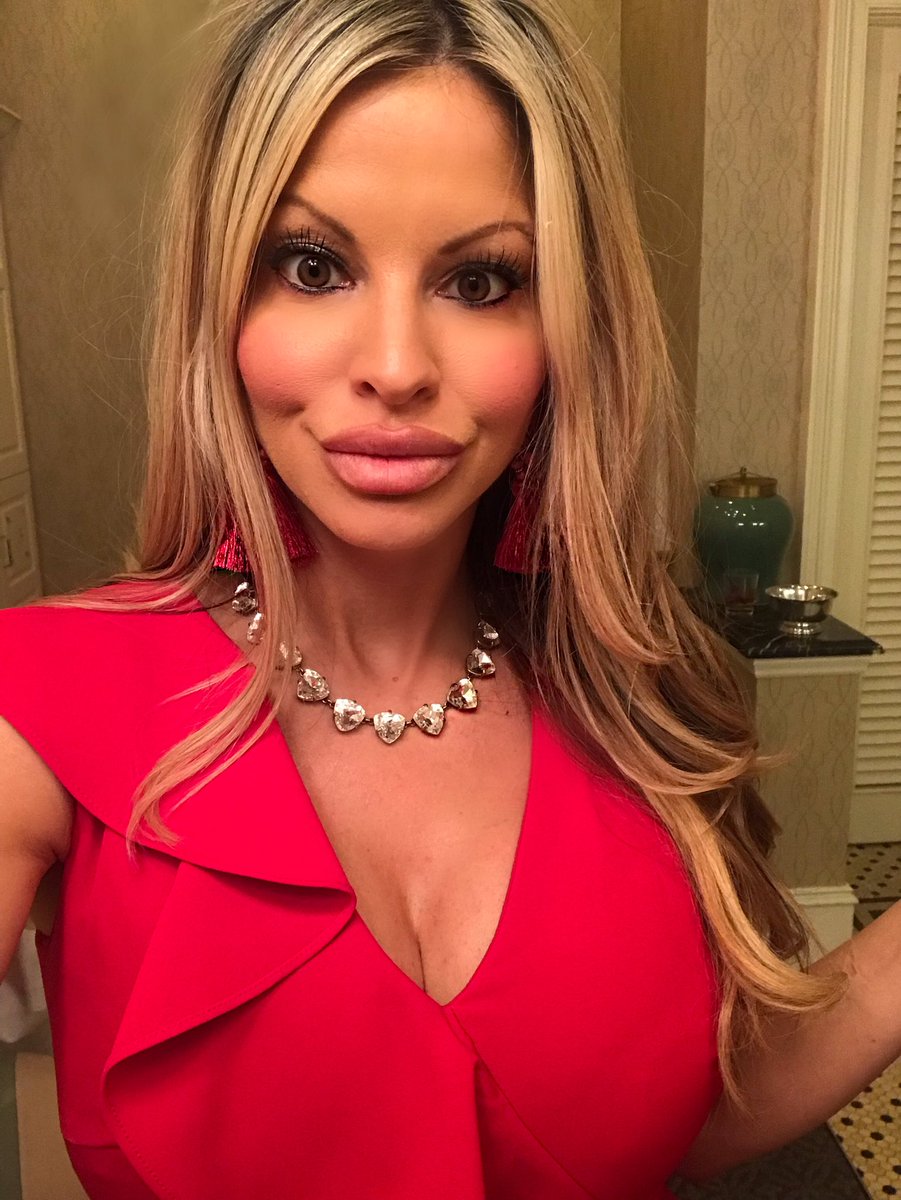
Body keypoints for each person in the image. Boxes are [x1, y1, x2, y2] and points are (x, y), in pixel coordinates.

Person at [1, 0, 899, 1196]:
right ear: (221, 304)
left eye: (480, 280)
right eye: (312, 265)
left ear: (568, 329)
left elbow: (678, 1108)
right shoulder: (36, 716)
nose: (396, 366)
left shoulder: (641, 702)